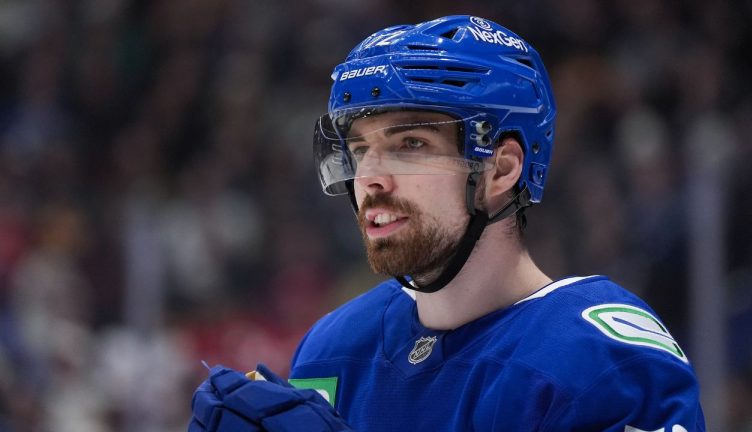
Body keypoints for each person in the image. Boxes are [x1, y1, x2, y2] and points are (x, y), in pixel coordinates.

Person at [189, 15, 706, 431]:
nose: (370, 178)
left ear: (501, 168)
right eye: (360, 150)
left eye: (410, 146)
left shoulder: (603, 360)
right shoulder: (333, 350)